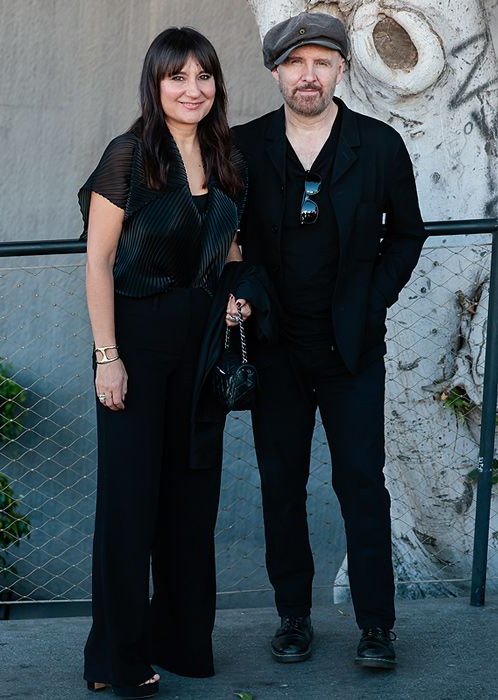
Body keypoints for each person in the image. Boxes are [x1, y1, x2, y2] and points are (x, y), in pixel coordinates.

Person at [232, 12, 426, 670]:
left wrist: (373, 304)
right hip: (275, 345)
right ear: (277, 71)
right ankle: (293, 616)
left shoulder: (377, 144)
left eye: (320, 61)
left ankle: (377, 626)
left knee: (362, 485)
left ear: (342, 67)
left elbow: (406, 235)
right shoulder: (242, 147)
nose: (307, 74)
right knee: (280, 485)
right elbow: (226, 241)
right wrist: (242, 293)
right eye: (294, 62)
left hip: (352, 349)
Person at [78, 27, 250, 698]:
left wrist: (237, 307)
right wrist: (107, 358)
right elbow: (96, 262)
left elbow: (230, 261)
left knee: (189, 499)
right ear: (155, 84)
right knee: (130, 507)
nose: (192, 89)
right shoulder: (130, 156)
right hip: (136, 345)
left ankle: (178, 641)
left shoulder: (226, 160)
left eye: (204, 77)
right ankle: (114, 658)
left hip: (200, 345)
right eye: (177, 77)